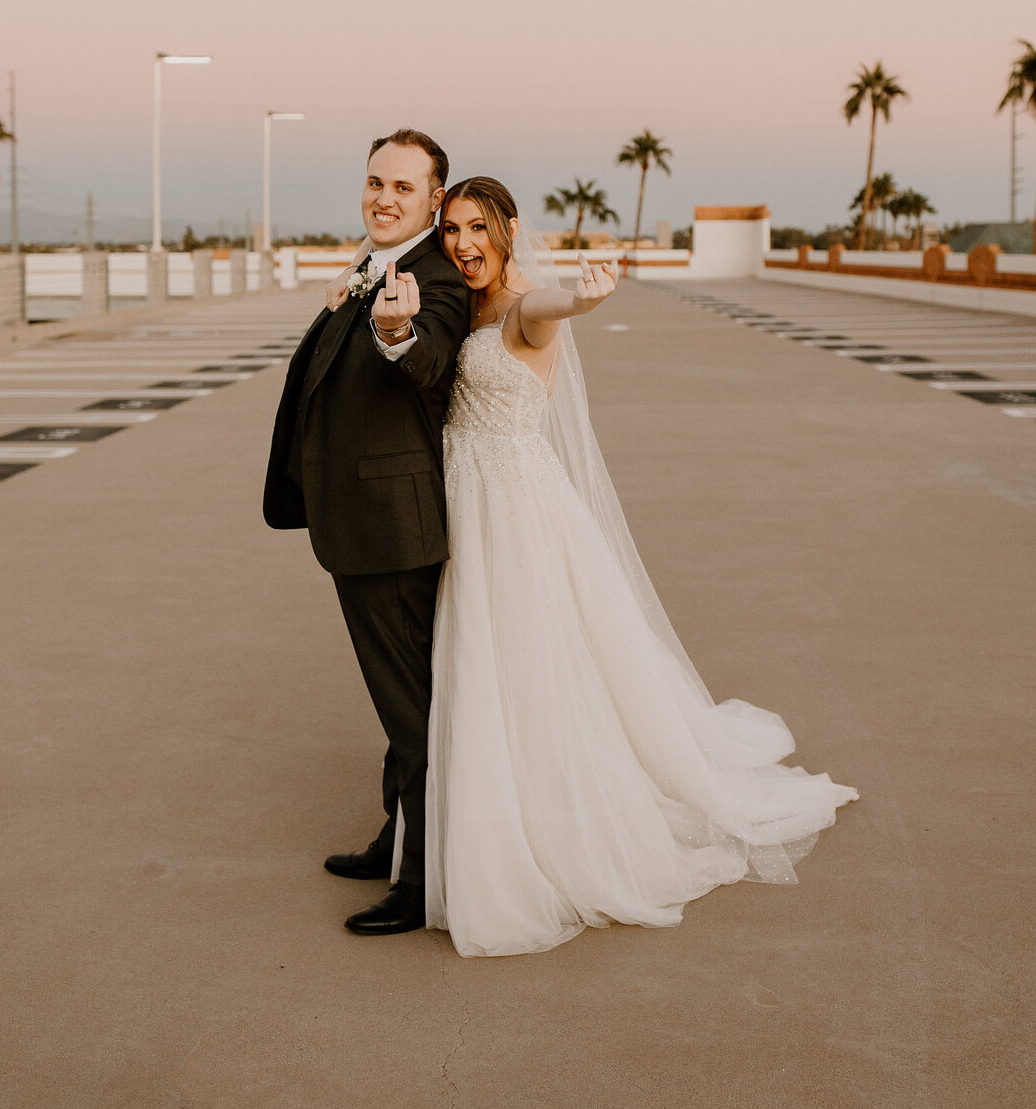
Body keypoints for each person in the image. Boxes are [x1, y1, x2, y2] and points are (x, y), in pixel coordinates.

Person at [425, 176, 858, 957]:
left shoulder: (525, 303)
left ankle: (548, 817)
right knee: (486, 657)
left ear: (509, 230)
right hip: (472, 500)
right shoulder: (463, 299)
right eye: (453, 228)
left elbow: (552, 309)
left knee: (534, 659)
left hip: (515, 508)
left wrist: (585, 299)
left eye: (478, 228)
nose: (464, 243)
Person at [263, 129, 471, 936]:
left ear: (435, 202)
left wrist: (393, 334)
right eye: (376, 181)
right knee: (399, 701)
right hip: (363, 521)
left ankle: (422, 882)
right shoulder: (372, 262)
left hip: (393, 529)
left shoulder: (435, 281)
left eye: (403, 188)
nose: (384, 197)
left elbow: (428, 357)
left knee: (413, 707)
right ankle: (398, 839)